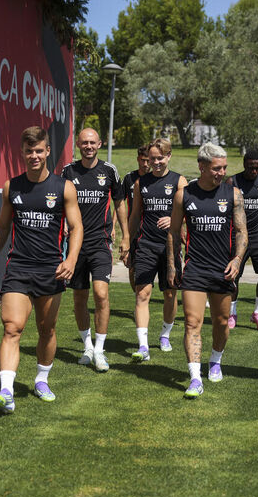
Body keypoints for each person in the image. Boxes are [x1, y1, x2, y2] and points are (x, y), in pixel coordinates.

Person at [0, 126, 83, 413]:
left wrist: (71, 259)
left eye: (39, 150)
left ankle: (41, 379)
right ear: (22, 153)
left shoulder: (64, 187)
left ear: (48, 152)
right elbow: (1, 226)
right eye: (29, 151)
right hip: (19, 268)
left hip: (52, 269)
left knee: (46, 329)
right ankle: (6, 390)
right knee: (12, 327)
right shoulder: (11, 186)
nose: (34, 156)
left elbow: (76, 228)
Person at [167, 142, 247, 398]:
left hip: (223, 270)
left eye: (224, 167)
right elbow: (173, 232)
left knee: (222, 322)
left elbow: (242, 232)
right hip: (195, 270)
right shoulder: (184, 195)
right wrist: (172, 264)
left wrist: (237, 260)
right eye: (216, 168)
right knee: (192, 322)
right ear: (201, 167)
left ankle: (215, 360)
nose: (221, 172)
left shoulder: (233, 194)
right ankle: (194, 378)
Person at [61, 128, 129, 372]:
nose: (88, 146)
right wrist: (63, 229)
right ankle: (87, 346)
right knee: (79, 296)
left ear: (99, 144)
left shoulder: (109, 171)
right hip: (75, 246)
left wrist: (126, 236)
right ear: (78, 144)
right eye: (84, 142)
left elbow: (120, 204)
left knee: (101, 294)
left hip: (100, 242)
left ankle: (100, 351)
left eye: (92, 142)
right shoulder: (68, 172)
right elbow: (60, 204)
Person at [127, 138, 188, 360]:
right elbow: (135, 216)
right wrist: (127, 241)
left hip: (170, 247)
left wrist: (173, 220)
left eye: (160, 158)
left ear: (169, 156)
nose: (156, 162)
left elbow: (189, 214)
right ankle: (143, 346)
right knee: (142, 293)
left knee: (170, 293)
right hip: (146, 245)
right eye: (152, 159)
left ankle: (165, 334)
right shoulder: (140, 183)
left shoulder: (180, 182)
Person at [228, 150, 258, 331]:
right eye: (251, 167)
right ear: (244, 164)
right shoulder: (232, 182)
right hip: (238, 236)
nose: (254, 171)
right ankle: (232, 313)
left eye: (257, 168)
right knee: (233, 275)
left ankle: (257, 313)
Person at [122, 145, 151, 291]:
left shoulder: (155, 179)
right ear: (138, 160)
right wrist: (118, 227)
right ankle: (136, 296)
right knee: (131, 266)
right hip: (133, 227)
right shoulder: (129, 178)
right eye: (142, 160)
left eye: (148, 160)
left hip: (149, 230)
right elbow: (120, 203)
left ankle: (143, 294)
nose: (145, 164)